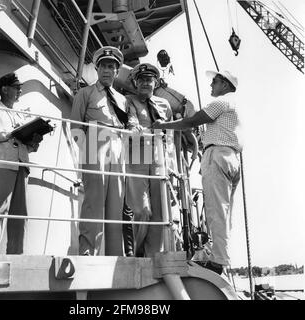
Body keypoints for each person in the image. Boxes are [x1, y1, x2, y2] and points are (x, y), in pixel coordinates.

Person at [153, 70, 242, 274]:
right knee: (225, 212)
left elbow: (191, 121)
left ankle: (218, 261)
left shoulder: (221, 102)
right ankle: (221, 256)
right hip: (232, 158)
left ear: (226, 85)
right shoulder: (236, 106)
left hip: (217, 155)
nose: (211, 84)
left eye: (216, 81)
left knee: (216, 210)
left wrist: (162, 125)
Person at [70, 46, 128, 256]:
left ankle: (115, 256)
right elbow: (75, 127)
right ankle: (87, 252)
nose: (107, 70)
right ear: (96, 69)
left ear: (117, 71)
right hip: (95, 144)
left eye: (111, 66)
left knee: (116, 203)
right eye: (103, 66)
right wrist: (87, 152)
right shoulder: (85, 93)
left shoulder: (122, 100)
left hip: (118, 147)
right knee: (93, 202)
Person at [0, 72, 42, 254]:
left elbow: (22, 144)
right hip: (3, 162)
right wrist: (10, 132)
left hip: (21, 164)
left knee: (20, 214)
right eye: (17, 87)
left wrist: (33, 140)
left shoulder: (19, 113)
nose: (20, 90)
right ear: (5, 89)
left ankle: (16, 254)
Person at [126, 63, 173, 257]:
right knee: (141, 209)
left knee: (161, 211)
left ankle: (153, 255)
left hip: (160, 157)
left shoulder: (165, 105)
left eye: (149, 79)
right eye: (141, 80)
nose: (145, 83)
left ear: (155, 82)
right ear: (136, 83)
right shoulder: (128, 101)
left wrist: (171, 162)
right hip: (138, 154)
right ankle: (136, 253)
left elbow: (170, 134)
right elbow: (132, 128)